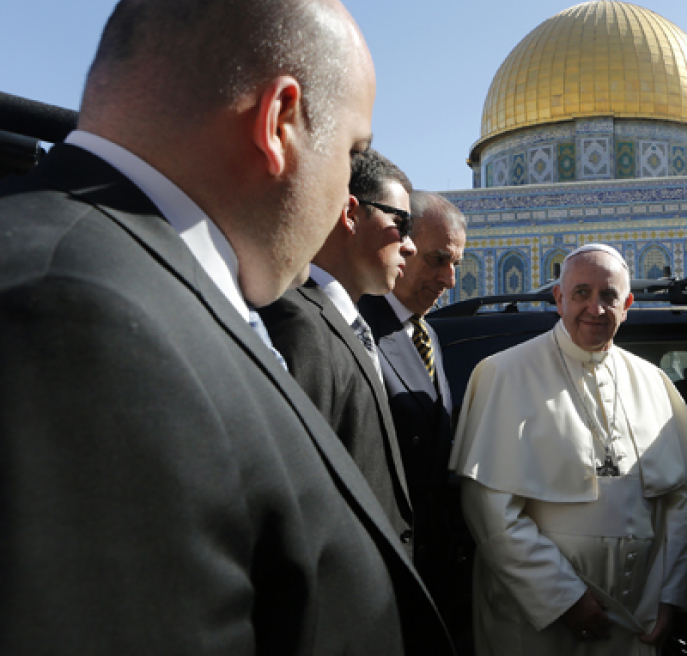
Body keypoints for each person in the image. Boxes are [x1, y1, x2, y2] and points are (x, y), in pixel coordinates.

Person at [0, 0, 451, 654]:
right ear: (278, 122)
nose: (342, 200)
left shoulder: (139, 283)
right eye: (351, 151)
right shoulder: (75, 319)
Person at [449, 243, 687, 655]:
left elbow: (679, 502)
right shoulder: (504, 373)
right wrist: (564, 599)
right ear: (559, 298)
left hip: (635, 616)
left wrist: (668, 596)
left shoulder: (652, 381)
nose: (596, 308)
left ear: (627, 304)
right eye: (581, 293)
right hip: (538, 619)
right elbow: (489, 510)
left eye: (609, 296)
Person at [259, 149, 419, 557]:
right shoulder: (300, 328)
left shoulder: (344, 324)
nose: (410, 247)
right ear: (350, 215)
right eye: (400, 224)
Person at [358, 189, 472, 647]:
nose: (448, 279)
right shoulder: (359, 329)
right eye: (437, 260)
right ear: (403, 247)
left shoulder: (427, 335)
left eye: (455, 266)